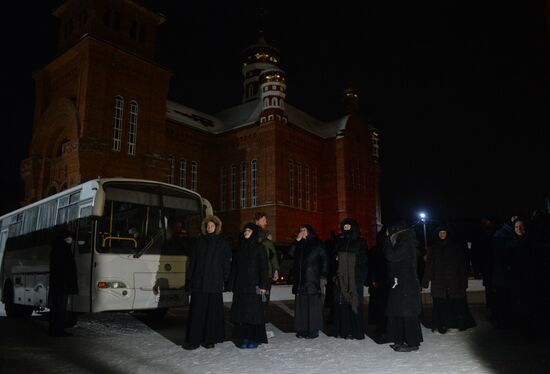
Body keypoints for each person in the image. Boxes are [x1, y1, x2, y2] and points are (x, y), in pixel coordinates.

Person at [183, 215, 231, 350]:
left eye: (212, 226)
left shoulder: (222, 244)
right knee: (197, 313)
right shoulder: (199, 243)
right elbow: (192, 262)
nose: (209, 228)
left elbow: (225, 264)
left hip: (214, 283)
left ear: (216, 227)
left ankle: (210, 339)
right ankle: (194, 340)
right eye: (208, 226)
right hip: (199, 283)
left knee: (211, 314)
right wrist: (188, 279)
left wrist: (226, 280)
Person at [421, 226, 476, 334]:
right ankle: (440, 326)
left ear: (447, 234)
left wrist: (463, 282)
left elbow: (462, 266)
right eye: (440, 233)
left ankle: (454, 324)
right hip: (439, 283)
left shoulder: (456, 248)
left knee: (454, 304)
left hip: (454, 282)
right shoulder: (433, 248)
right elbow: (429, 266)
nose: (442, 235)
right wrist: (425, 281)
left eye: (444, 232)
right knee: (440, 305)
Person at [383, 221, 423, 352]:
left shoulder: (406, 243)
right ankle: (401, 339)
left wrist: (387, 242)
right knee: (400, 313)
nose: (387, 235)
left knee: (408, 314)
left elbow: (391, 256)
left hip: (406, 285)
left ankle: (412, 343)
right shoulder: (404, 242)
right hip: (401, 283)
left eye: (389, 233)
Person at [228, 223, 269, 349]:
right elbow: (234, 267)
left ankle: (254, 339)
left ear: (254, 233)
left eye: (249, 230)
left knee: (253, 314)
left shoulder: (259, 248)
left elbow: (264, 268)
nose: (246, 232)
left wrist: (263, 285)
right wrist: (231, 284)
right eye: (245, 230)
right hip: (241, 286)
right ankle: (243, 338)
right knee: (242, 314)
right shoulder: (240, 248)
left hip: (254, 286)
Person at [332, 218, 368, 339]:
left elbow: (363, 259)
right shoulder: (339, 241)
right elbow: (334, 255)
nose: (346, 229)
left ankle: (356, 331)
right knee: (343, 304)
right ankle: (344, 330)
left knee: (354, 304)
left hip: (355, 277)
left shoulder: (360, 242)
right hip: (342, 277)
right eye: (344, 227)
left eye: (348, 227)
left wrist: (346, 259)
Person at [289, 224, 327, 339]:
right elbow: (290, 253)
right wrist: (296, 241)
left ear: (309, 231)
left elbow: (325, 258)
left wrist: (323, 274)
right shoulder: (299, 243)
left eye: (304, 230)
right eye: (300, 230)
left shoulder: (317, 242)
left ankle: (313, 330)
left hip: (312, 279)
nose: (302, 232)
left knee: (312, 306)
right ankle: (302, 329)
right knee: (301, 306)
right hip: (300, 279)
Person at [49, 226, 79, 337]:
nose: (70, 239)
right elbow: (64, 269)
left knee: (58, 308)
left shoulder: (59, 248)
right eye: (68, 237)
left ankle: (56, 329)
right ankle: (58, 331)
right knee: (60, 308)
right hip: (61, 285)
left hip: (59, 284)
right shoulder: (62, 249)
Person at [253, 212, 280, 338]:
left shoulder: (264, 237)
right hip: (259, 274)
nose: (266, 222)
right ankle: (259, 325)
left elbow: (273, 256)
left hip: (264, 274)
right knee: (261, 300)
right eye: (263, 220)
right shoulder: (257, 236)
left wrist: (275, 270)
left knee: (263, 300)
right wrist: (275, 270)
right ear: (257, 221)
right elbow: (273, 256)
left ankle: (261, 324)